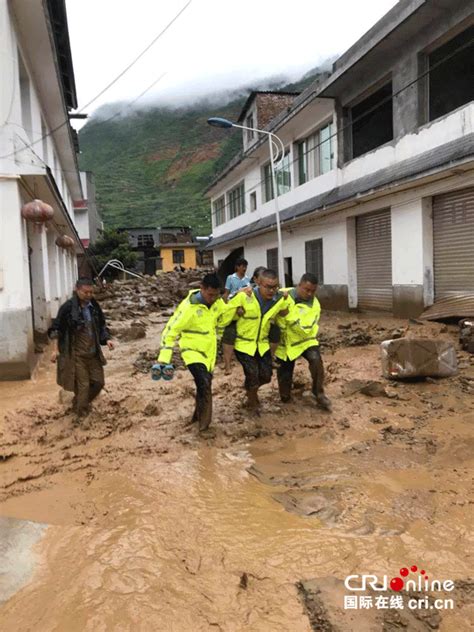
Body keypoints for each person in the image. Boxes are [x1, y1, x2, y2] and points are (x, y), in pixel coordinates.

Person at [155, 273, 234, 432]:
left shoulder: (217, 303)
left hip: (209, 353)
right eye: (210, 295)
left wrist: (238, 302)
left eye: (216, 295)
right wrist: (164, 357)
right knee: (205, 383)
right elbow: (171, 330)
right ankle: (204, 427)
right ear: (202, 289)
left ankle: (197, 416)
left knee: (203, 384)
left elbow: (225, 316)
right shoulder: (188, 307)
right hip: (192, 352)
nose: (212, 298)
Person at [49, 278, 114, 419]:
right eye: (85, 292)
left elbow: (102, 325)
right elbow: (56, 329)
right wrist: (55, 350)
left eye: (91, 292)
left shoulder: (94, 306)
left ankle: (78, 404)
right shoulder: (67, 308)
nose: (89, 295)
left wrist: (107, 339)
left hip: (93, 353)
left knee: (98, 383)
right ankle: (81, 419)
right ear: (77, 290)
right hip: (76, 355)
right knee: (83, 386)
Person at [229, 268, 289, 412]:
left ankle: (249, 389)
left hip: (262, 345)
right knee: (253, 375)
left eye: (274, 287)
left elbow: (290, 300)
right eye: (268, 287)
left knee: (266, 376)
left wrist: (285, 303)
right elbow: (225, 308)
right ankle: (252, 402)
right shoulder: (246, 296)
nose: (271, 291)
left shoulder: (278, 299)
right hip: (243, 344)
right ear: (258, 283)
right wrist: (236, 301)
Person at [275, 273, 331, 410]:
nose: (310, 293)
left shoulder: (315, 305)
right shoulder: (282, 295)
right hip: (284, 344)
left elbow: (304, 329)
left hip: (305, 340)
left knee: (316, 361)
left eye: (313, 291)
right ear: (298, 285)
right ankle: (286, 396)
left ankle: (318, 393)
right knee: (285, 387)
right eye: (306, 289)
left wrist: (287, 315)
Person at [222, 257, 251, 374]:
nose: (244, 269)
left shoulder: (247, 279)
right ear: (237, 267)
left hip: (245, 311)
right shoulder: (231, 278)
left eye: (245, 266)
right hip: (233, 309)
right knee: (229, 336)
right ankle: (227, 365)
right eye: (242, 266)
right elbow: (227, 294)